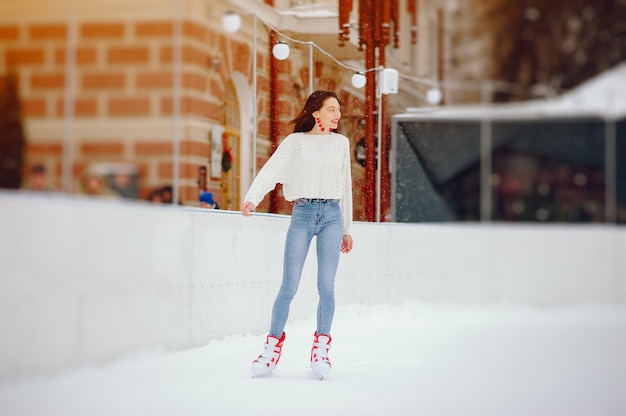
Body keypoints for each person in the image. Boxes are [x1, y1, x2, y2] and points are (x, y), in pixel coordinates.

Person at [241, 90, 353, 379]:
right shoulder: (296, 142)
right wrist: (253, 197)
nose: (337, 115)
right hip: (302, 214)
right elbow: (271, 169)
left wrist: (347, 228)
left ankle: (321, 348)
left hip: (331, 215)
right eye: (331, 110)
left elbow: (345, 188)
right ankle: (271, 348)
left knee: (326, 287)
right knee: (288, 286)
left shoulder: (341, 143)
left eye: (338, 110)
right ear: (316, 113)